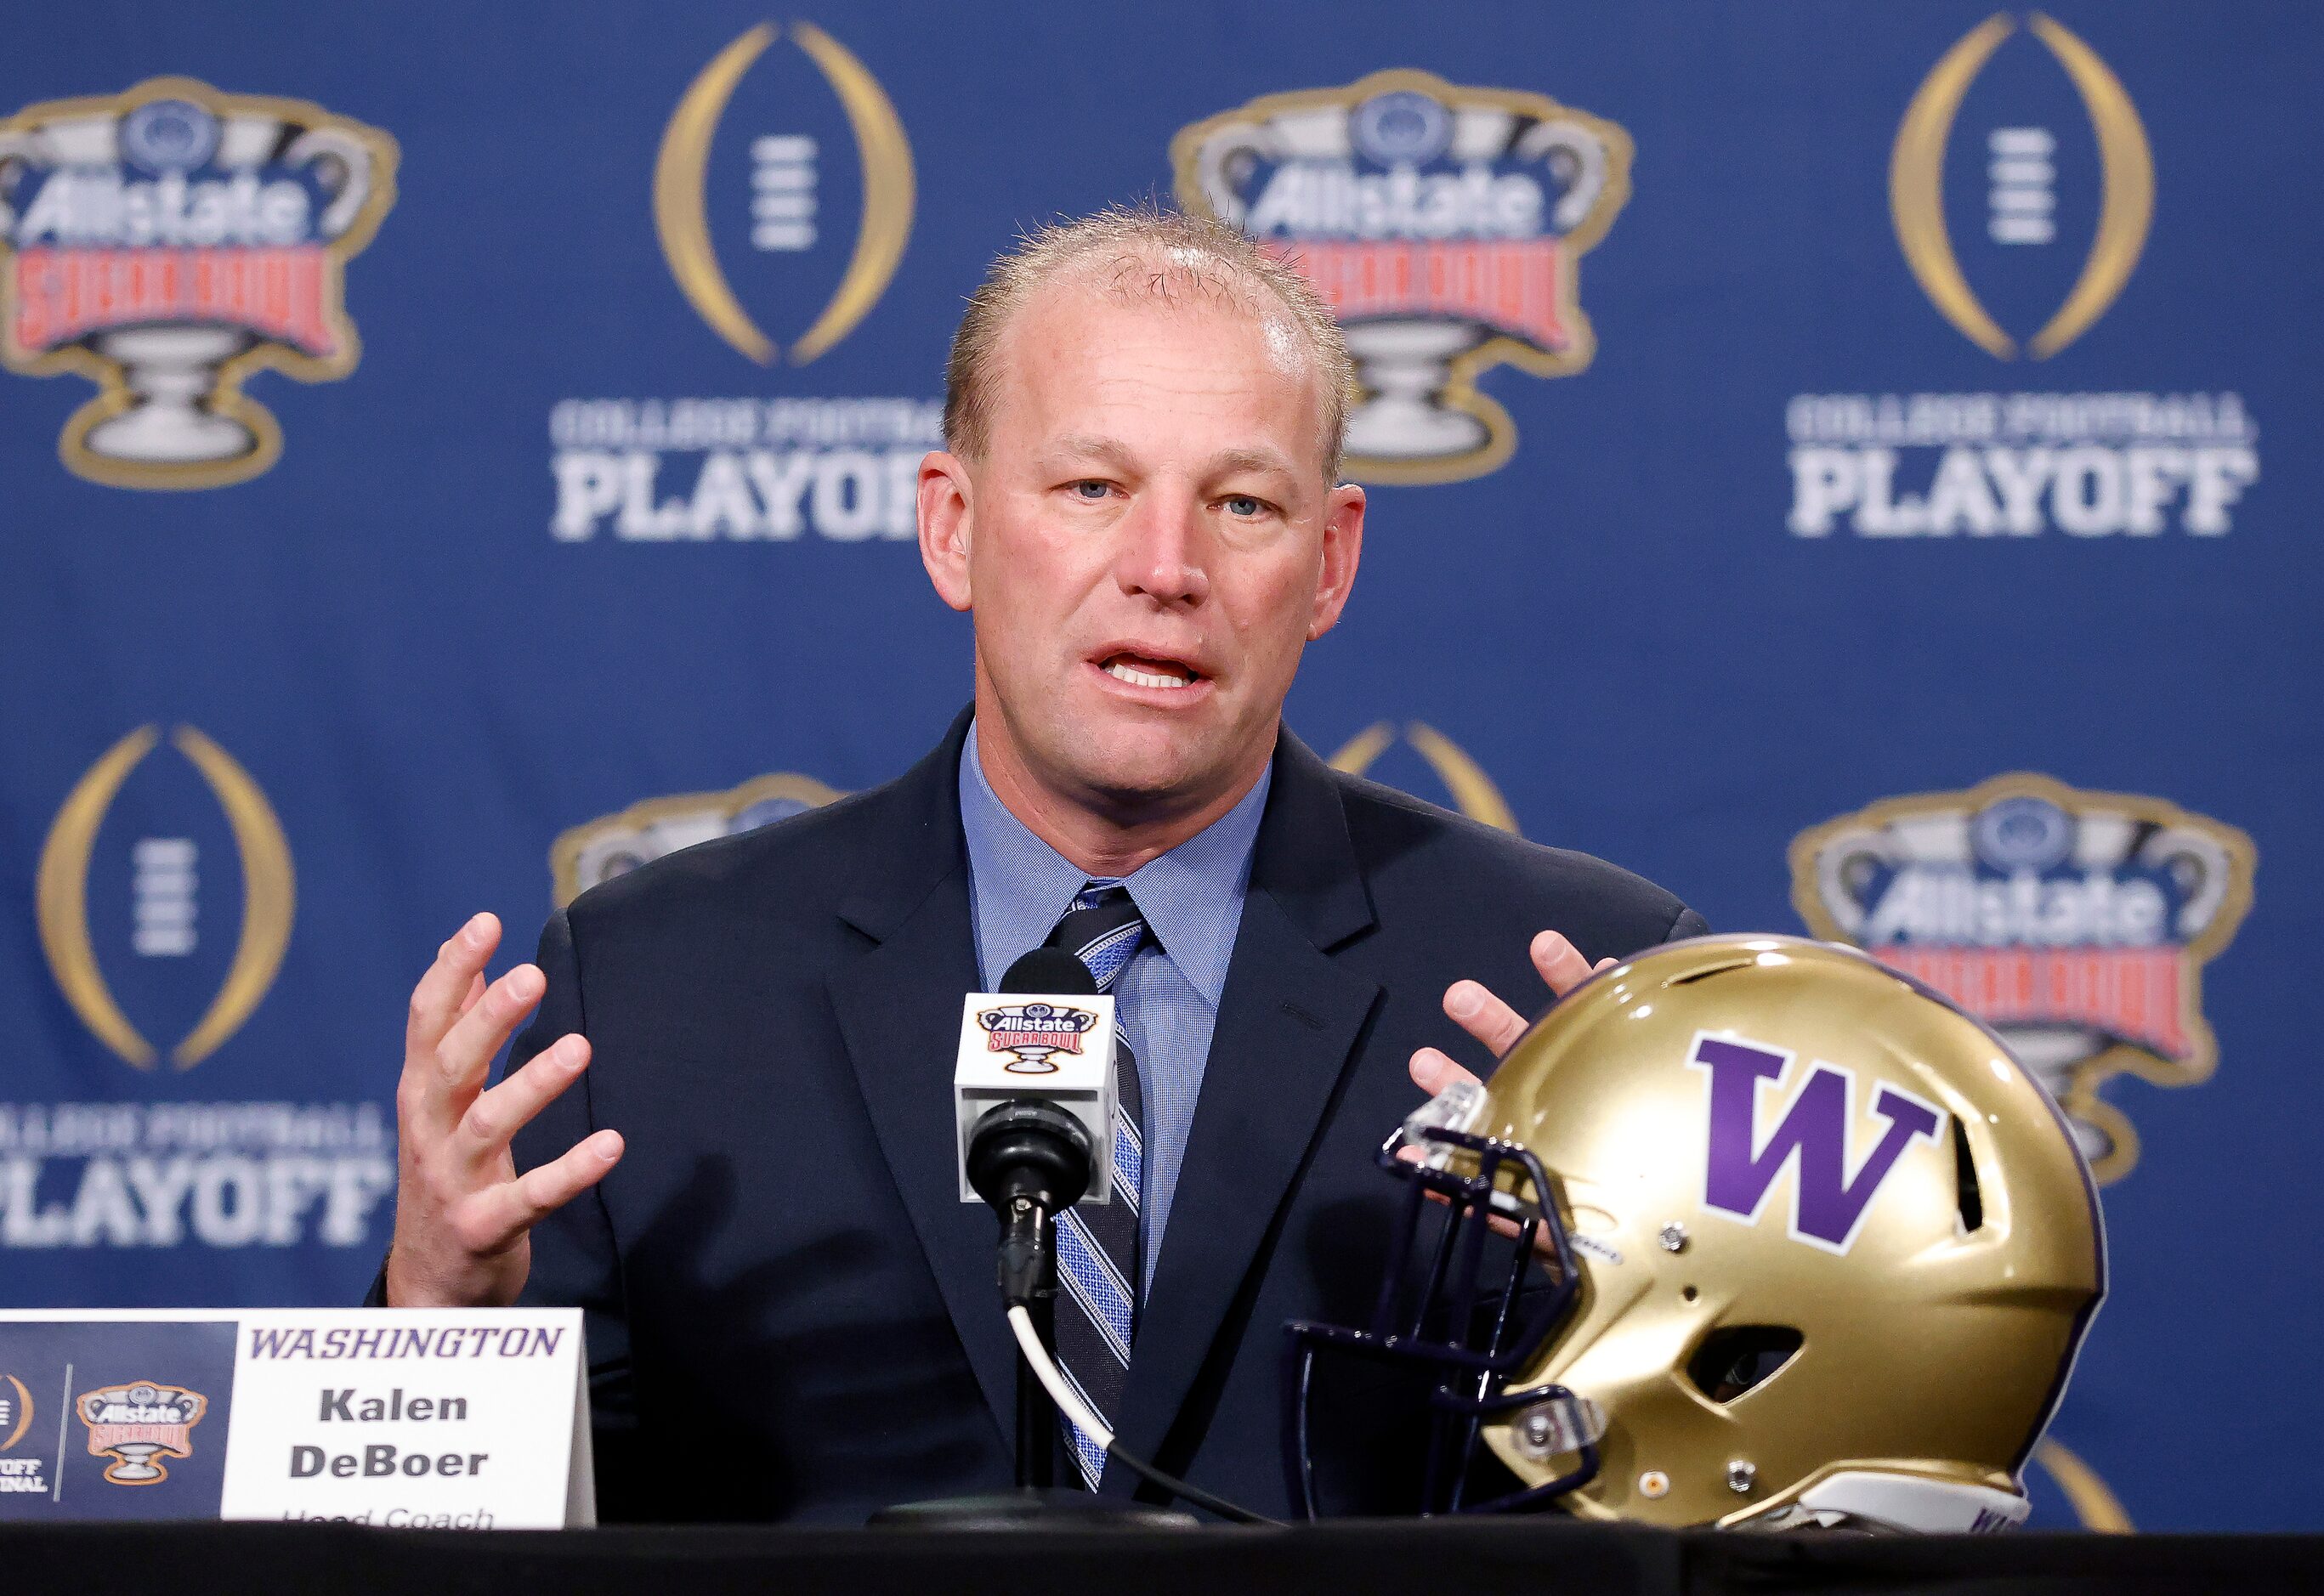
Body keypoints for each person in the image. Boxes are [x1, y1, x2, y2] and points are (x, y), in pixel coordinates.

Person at [379, 206, 1707, 1522]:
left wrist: (1662, 1308)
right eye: (1093, 489)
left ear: (1328, 561)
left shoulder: (1569, 998)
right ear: (952, 526)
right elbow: (490, 1556)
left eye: (1242, 503)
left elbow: (1714, 1512)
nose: (1165, 567)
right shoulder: (654, 991)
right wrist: (439, 1326)